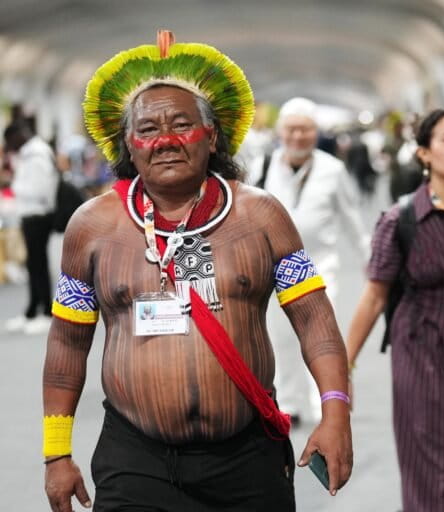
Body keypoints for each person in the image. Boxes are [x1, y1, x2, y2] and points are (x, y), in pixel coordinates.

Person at [42, 32, 352, 512]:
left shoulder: (261, 217)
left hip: (247, 461)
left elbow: (314, 318)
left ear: (212, 136)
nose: (164, 141)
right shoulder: (93, 228)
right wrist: (56, 452)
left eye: (181, 125)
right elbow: (66, 341)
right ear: (129, 143)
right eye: (147, 130)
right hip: (135, 460)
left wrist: (336, 412)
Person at [346, 108, 444, 511]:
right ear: (423, 153)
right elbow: (374, 296)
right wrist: (341, 368)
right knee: (442, 473)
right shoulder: (400, 219)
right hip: (422, 351)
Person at [245, 97, 369, 424]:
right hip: (274, 268)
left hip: (320, 266)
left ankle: (324, 404)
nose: (298, 136)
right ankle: (289, 403)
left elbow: (351, 217)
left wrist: (367, 257)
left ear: (315, 132)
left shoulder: (333, 169)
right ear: (280, 132)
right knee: (280, 337)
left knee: (323, 336)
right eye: (291, 129)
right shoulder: (264, 167)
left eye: (305, 129)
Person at [3, 120, 59, 335]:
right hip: (30, 214)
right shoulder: (29, 152)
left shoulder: (36, 153)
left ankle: (45, 311)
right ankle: (31, 311)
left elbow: (42, 188)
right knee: (33, 265)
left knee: (39, 265)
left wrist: (15, 187)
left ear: (19, 135)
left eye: (10, 140)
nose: (10, 145)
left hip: (38, 214)